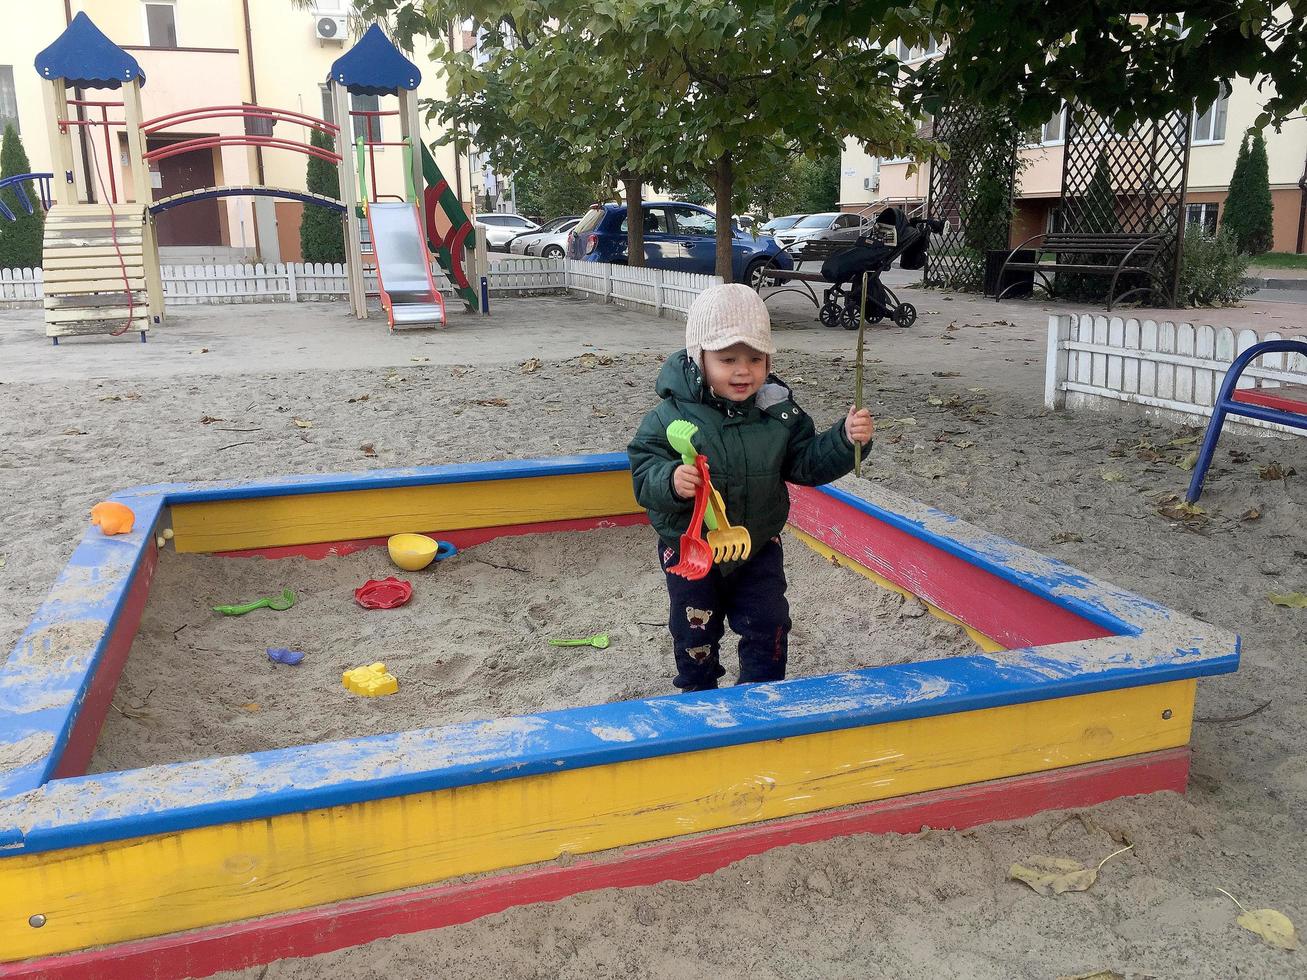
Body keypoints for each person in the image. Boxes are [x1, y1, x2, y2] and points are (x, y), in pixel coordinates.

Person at [628, 283, 874, 692]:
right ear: (698, 358)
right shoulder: (669, 415)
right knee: (695, 627)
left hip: (757, 542)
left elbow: (805, 463)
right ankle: (698, 690)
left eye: (755, 359)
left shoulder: (777, 412)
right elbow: (642, 472)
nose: (743, 371)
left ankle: (762, 692)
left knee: (769, 621)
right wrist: (671, 481)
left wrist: (846, 440)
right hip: (692, 547)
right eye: (728, 359)